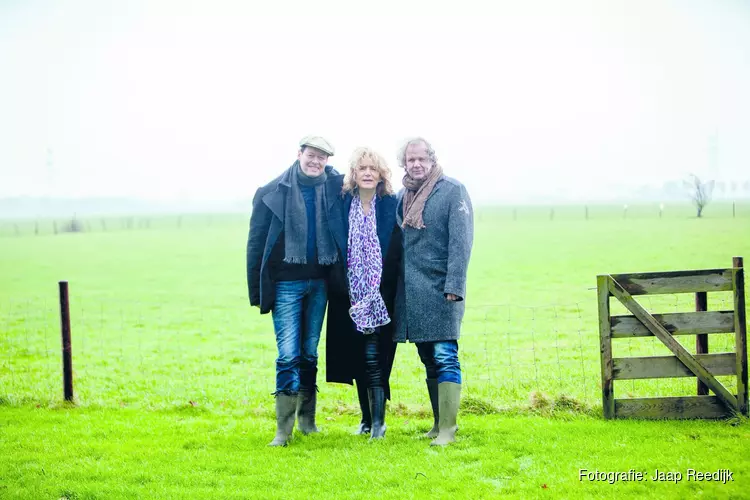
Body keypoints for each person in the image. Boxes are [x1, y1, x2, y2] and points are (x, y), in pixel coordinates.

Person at [246, 135, 341, 447]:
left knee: (310, 353)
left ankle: (307, 421)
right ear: (299, 154)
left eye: (322, 157)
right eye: (311, 155)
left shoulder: (335, 187)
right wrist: (257, 291)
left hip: (321, 283)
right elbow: (256, 243)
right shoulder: (272, 192)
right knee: (288, 354)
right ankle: (282, 431)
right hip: (286, 282)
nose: (316, 162)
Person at [393, 137, 473, 446]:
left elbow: (461, 243)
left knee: (445, 355)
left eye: (421, 159)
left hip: (442, 289)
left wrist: (454, 285)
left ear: (432, 159)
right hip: (413, 292)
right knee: (428, 357)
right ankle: (438, 423)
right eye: (410, 160)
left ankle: (449, 430)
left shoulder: (453, 191)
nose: (416, 164)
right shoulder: (402, 195)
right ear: (405, 163)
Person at [326, 147, 401, 440]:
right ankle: (366, 420)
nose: (368, 173)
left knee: (374, 358)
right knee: (358, 359)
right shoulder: (343, 204)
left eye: (373, 168)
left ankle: (379, 423)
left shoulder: (391, 205)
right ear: (353, 175)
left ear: (382, 174)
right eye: (362, 168)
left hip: (382, 295)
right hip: (349, 295)